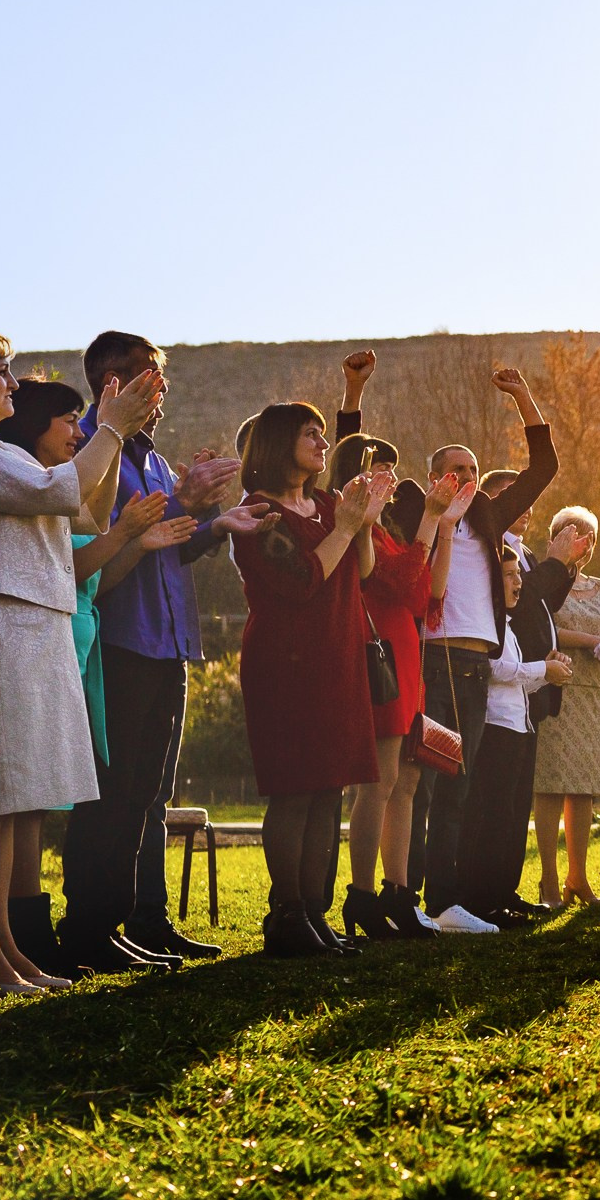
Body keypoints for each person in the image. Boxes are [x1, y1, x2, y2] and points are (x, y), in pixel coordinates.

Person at [0, 330, 161, 992]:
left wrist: (111, 436)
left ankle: (3, 951)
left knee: (14, 790)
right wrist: (110, 429)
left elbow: (86, 507)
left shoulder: (3, 451)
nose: (12, 382)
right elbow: (61, 494)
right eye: (1, 371)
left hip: (37, 619)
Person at [57, 330, 258, 973]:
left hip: (169, 642)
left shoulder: (154, 455)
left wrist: (210, 518)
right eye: (149, 374)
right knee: (113, 791)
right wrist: (185, 501)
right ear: (112, 382)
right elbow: (117, 533)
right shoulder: (88, 447)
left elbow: (172, 537)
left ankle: (144, 918)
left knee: (149, 791)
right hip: (118, 639)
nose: (161, 386)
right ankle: (90, 924)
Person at [0, 380, 197, 980]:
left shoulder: (55, 478)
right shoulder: (21, 476)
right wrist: (112, 433)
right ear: (35, 423)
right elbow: (76, 560)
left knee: (67, 796)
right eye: (68, 420)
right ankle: (30, 933)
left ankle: (70, 928)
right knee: (37, 797)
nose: (77, 431)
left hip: (73, 645)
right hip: (39, 642)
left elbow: (94, 524)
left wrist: (130, 534)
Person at [404, 367, 557, 929]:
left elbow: (543, 469)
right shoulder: (414, 512)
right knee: (418, 782)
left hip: (475, 664)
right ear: (433, 477)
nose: (464, 476)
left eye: (471, 468)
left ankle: (446, 904)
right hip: (430, 658)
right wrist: (355, 397)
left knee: (457, 786)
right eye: (453, 468)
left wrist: (522, 397)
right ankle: (406, 898)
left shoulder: (490, 517)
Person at [230, 400, 384, 957]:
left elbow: (361, 569)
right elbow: (297, 583)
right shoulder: (258, 513)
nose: (322, 444)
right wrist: (343, 528)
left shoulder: (325, 503)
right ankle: (287, 913)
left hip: (338, 655)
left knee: (329, 789)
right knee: (294, 789)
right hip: (286, 662)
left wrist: (361, 524)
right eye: (310, 434)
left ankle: (315, 913)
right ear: (277, 443)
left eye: (323, 434)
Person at [328, 429, 470, 941]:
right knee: (380, 784)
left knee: (408, 784)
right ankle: (361, 896)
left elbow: (427, 589)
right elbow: (383, 580)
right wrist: (430, 519)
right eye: (377, 468)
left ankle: (399, 893)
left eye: (391, 466)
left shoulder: (387, 529)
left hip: (406, 654)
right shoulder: (358, 528)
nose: (390, 478)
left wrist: (444, 524)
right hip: (378, 658)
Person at [459, 547, 575, 923]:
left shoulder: (508, 624)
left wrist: (548, 669)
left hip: (517, 723)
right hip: (495, 726)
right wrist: (544, 669)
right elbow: (496, 669)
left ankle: (502, 894)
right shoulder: (489, 622)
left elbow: (517, 673)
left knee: (508, 813)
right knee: (492, 814)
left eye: (517, 574)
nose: (517, 582)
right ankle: (484, 900)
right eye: (509, 575)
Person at [531, 506, 600, 906]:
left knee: (583, 789)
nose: (583, 542)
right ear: (556, 539)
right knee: (549, 785)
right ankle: (548, 882)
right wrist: (588, 639)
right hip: (557, 689)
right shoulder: (546, 581)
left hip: (594, 692)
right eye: (573, 534)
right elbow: (544, 625)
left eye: (589, 536)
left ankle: (578, 879)